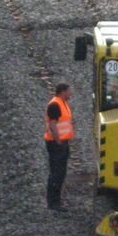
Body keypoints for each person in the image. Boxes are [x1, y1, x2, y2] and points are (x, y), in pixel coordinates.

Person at [44, 83, 74, 211]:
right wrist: (58, 142)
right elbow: (53, 125)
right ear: (62, 92)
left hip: (62, 143)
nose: (70, 93)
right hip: (56, 144)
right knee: (56, 173)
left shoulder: (63, 103)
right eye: (69, 91)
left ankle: (57, 201)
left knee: (60, 173)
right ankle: (53, 203)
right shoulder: (55, 104)